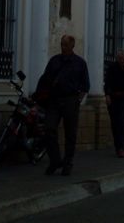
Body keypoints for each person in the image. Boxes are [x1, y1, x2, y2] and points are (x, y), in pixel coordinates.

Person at [37, 35, 90, 176]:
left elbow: (85, 86)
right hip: (54, 100)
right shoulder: (54, 61)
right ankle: (55, 160)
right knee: (49, 129)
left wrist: (77, 101)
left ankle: (68, 162)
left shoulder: (80, 63)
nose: (63, 47)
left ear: (72, 46)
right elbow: (45, 78)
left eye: (66, 45)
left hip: (70, 100)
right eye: (62, 44)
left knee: (70, 134)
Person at [104, 49, 124, 157]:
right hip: (113, 98)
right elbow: (107, 82)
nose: (121, 60)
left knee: (122, 122)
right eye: (119, 58)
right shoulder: (112, 68)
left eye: (123, 58)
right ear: (117, 58)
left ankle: (121, 147)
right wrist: (108, 95)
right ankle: (117, 145)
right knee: (115, 123)